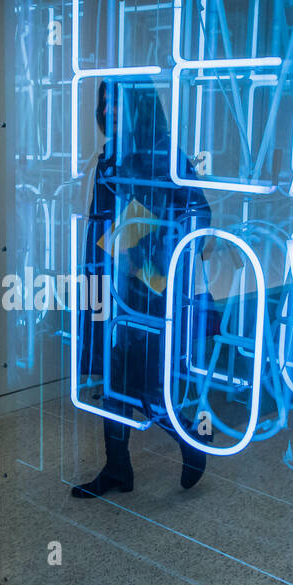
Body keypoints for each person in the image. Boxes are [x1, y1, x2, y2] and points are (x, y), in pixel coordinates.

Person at [73, 79, 214, 499]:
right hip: (106, 278)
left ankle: (189, 442)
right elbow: (101, 219)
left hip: (145, 289)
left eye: (117, 103)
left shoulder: (164, 153)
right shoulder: (110, 156)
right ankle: (117, 468)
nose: (109, 111)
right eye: (104, 103)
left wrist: (148, 257)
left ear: (140, 106)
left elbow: (199, 216)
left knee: (142, 380)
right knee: (113, 376)